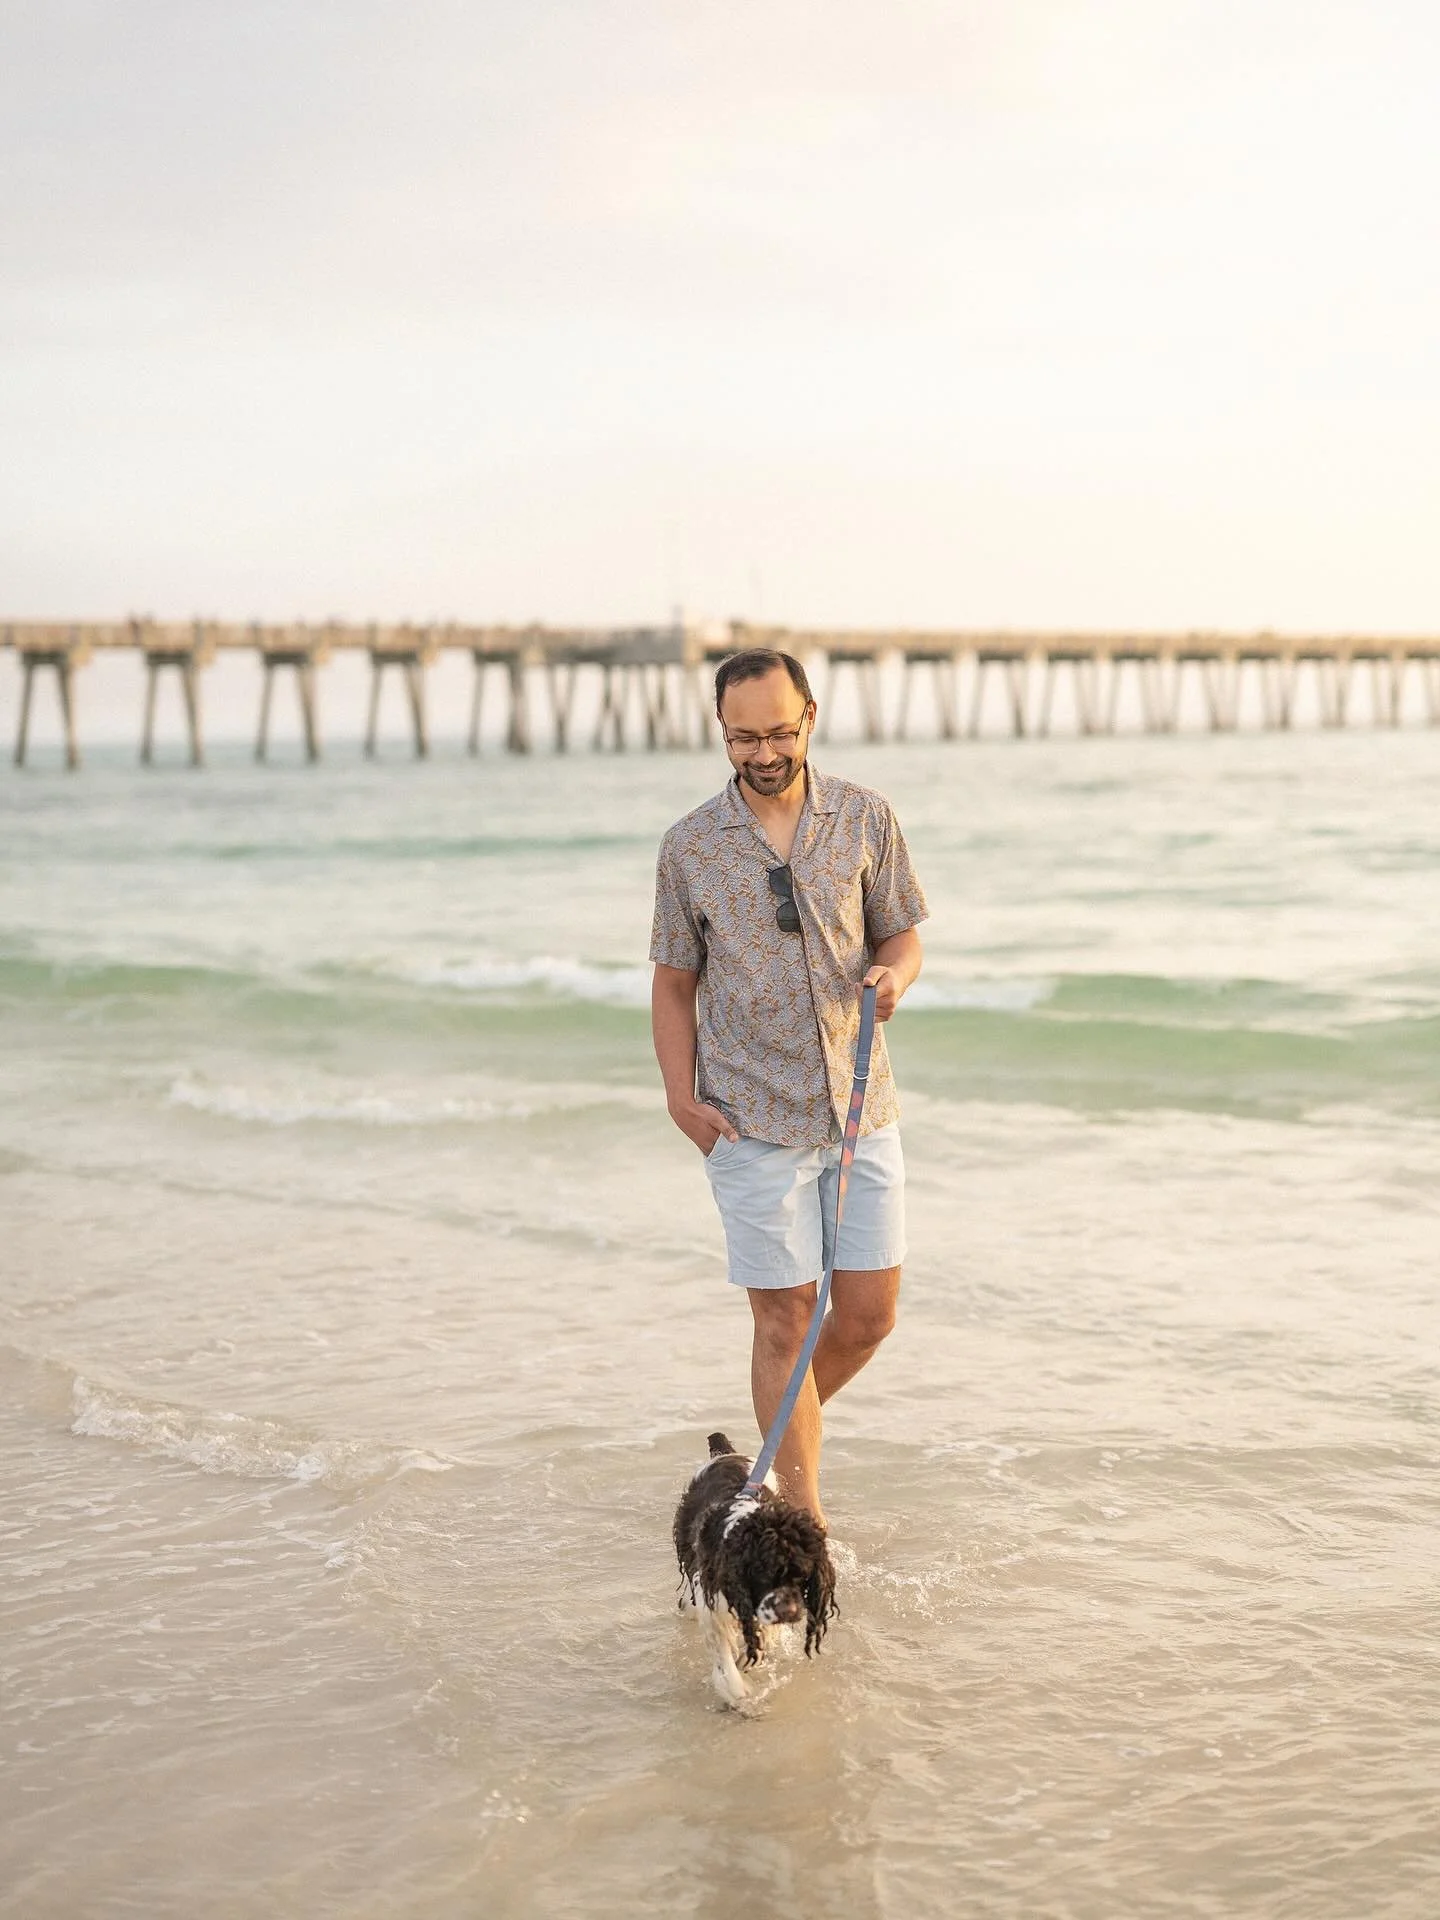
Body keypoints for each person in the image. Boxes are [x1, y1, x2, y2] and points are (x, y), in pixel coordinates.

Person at [649, 648, 928, 1528]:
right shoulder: (690, 846)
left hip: (860, 1109)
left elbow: (903, 936)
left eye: (776, 731)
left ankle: (763, 1452)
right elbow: (672, 983)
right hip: (749, 1119)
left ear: (810, 717)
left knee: (867, 1317)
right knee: (785, 1320)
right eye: (742, 737)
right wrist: (679, 1097)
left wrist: (894, 978)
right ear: (720, 732)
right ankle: (804, 1531)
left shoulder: (866, 818)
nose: (762, 752)